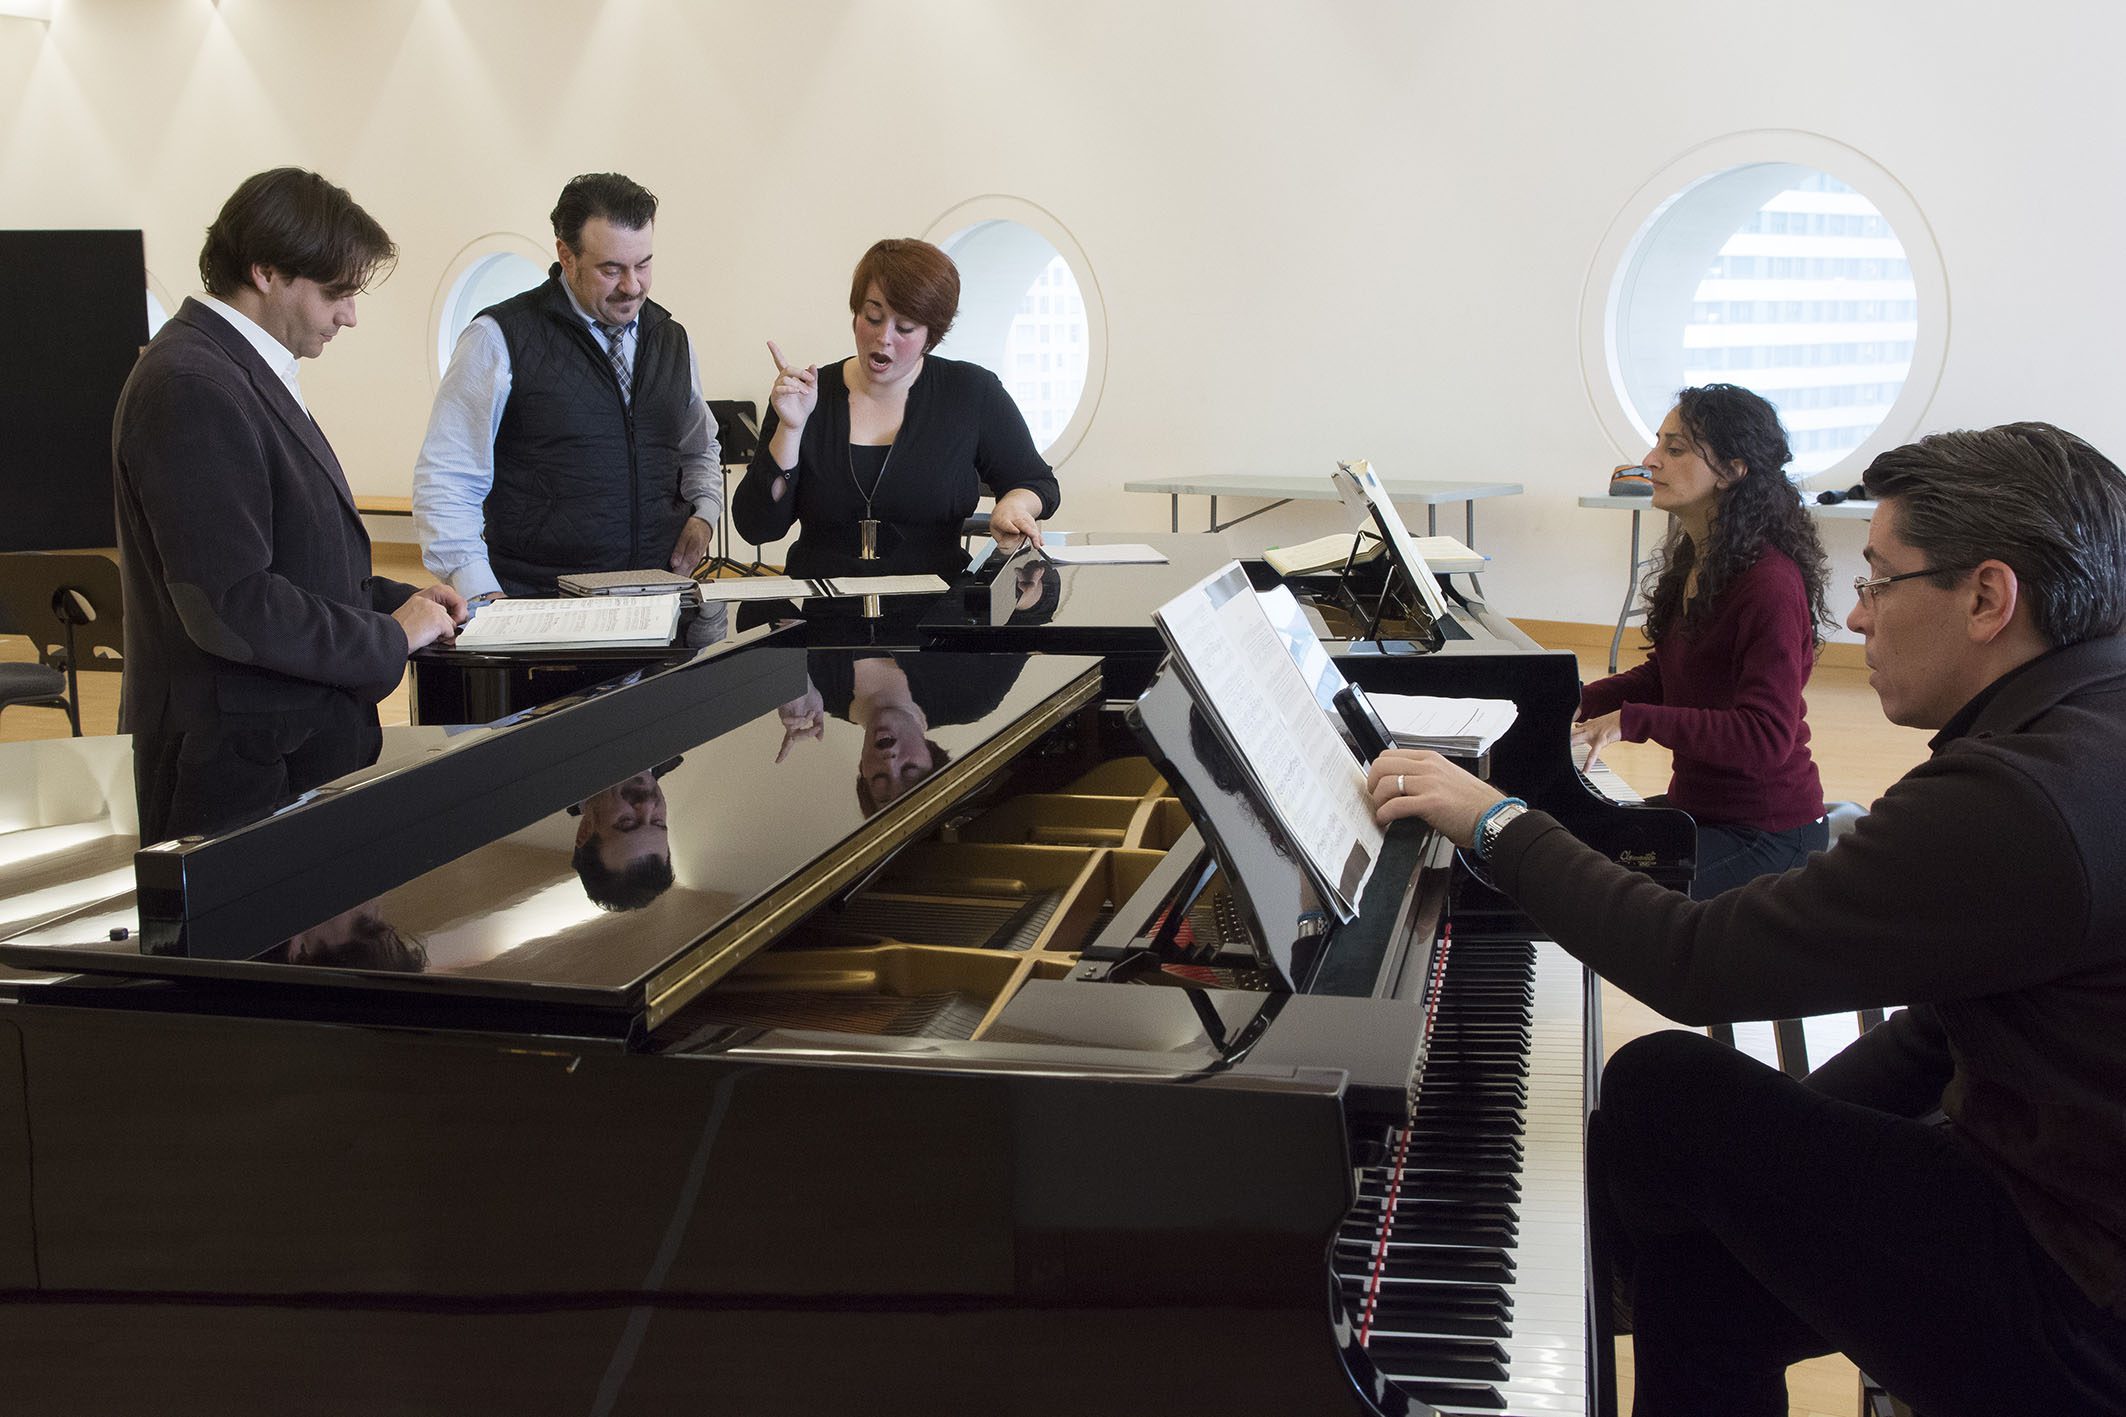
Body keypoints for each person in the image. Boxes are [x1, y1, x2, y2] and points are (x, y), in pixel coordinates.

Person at [1366, 422, 2126, 1415]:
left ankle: (1537, 1285)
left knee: (1661, 1088)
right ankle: (1581, 1275)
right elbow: (1948, 1024)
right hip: (2065, 1199)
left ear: (1987, 597)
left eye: (1878, 580)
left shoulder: (2021, 798)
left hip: (2080, 1299)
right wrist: (1769, 1150)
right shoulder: (2086, 723)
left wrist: (1497, 821)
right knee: (1703, 1273)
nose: (1855, 616)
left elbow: (1694, 964)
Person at [112, 168, 466, 844]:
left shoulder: (234, 368)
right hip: (232, 774)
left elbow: (295, 563)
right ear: (266, 271)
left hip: (279, 754)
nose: (349, 316)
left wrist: (398, 602)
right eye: (336, 293)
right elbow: (230, 603)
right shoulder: (190, 382)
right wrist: (389, 637)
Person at [1574, 384, 1833, 898]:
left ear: (1732, 471)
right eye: (1658, 444)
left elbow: (1766, 736)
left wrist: (1631, 720)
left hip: (1768, 833)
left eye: (1674, 449)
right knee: (1564, 845)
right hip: (1702, 811)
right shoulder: (1702, 559)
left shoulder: (1769, 584)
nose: (1650, 461)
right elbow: (1667, 675)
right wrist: (1569, 700)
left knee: (1599, 893)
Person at [412, 172, 721, 599]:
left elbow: (699, 447)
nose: (632, 286)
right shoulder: (498, 338)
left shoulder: (672, 340)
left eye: (643, 265)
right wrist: (479, 590)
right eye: (611, 269)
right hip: (541, 602)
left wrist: (705, 512)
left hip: (658, 598)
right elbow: (447, 478)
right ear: (566, 255)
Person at [733, 238, 1059, 579]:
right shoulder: (806, 395)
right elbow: (757, 527)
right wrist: (790, 429)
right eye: (873, 317)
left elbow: (1036, 480)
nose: (884, 337)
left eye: (904, 327)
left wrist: (1014, 504)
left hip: (937, 601)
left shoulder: (971, 391)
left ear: (931, 335)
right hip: (822, 601)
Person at [568, 759, 680, 910]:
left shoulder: (546, 770)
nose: (648, 805)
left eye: (627, 822)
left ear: (585, 830)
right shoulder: (673, 750)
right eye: (658, 822)